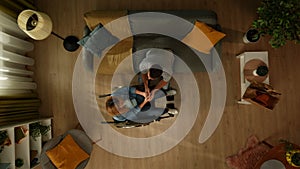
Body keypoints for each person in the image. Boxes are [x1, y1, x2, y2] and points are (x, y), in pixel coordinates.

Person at [105, 86, 177, 124]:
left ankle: (166, 93)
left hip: (136, 97)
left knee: (152, 96)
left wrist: (142, 94)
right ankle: (167, 110)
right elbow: (134, 112)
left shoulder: (116, 94)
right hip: (137, 110)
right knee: (153, 112)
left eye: (121, 101)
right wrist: (145, 102)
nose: (123, 103)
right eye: (122, 106)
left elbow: (129, 89)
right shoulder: (120, 117)